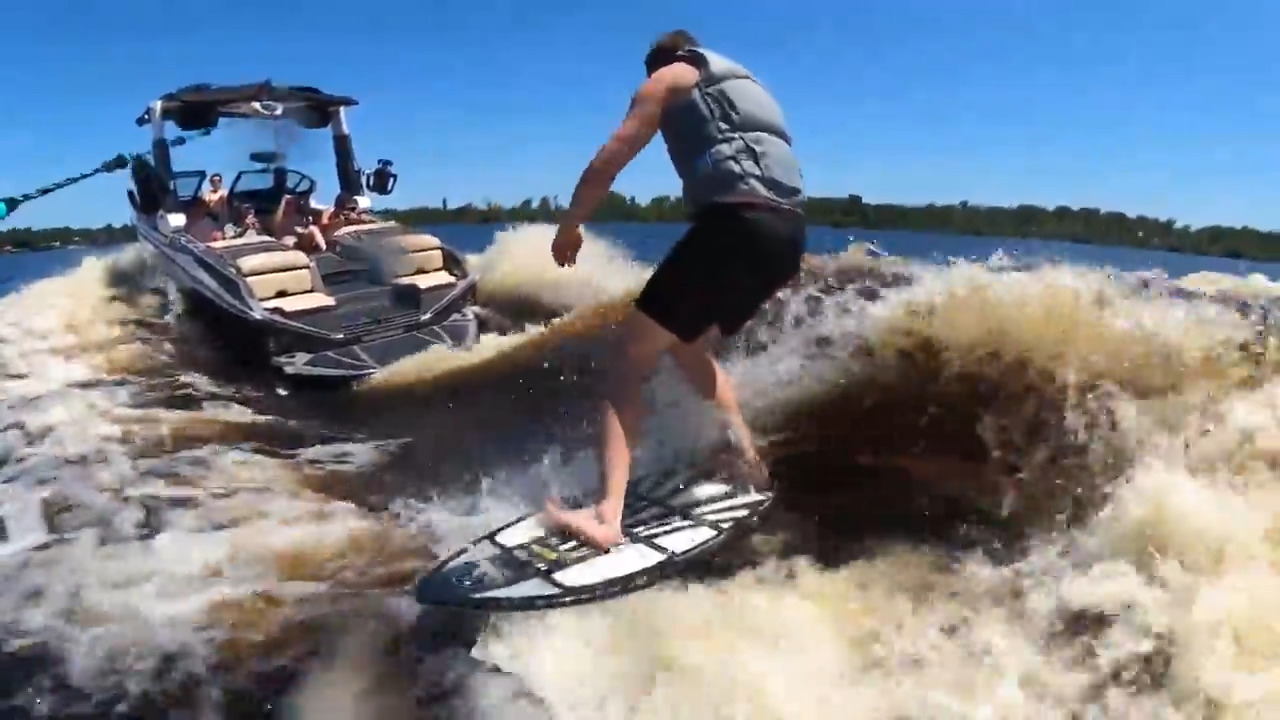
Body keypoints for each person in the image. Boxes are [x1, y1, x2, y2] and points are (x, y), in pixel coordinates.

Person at [543, 29, 807, 550]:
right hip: (786, 236)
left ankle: (606, 517)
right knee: (686, 345)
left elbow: (612, 155)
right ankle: (750, 467)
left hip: (734, 226)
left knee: (626, 360)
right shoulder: (745, 83)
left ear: (659, 63)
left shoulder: (669, 78)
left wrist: (571, 225)